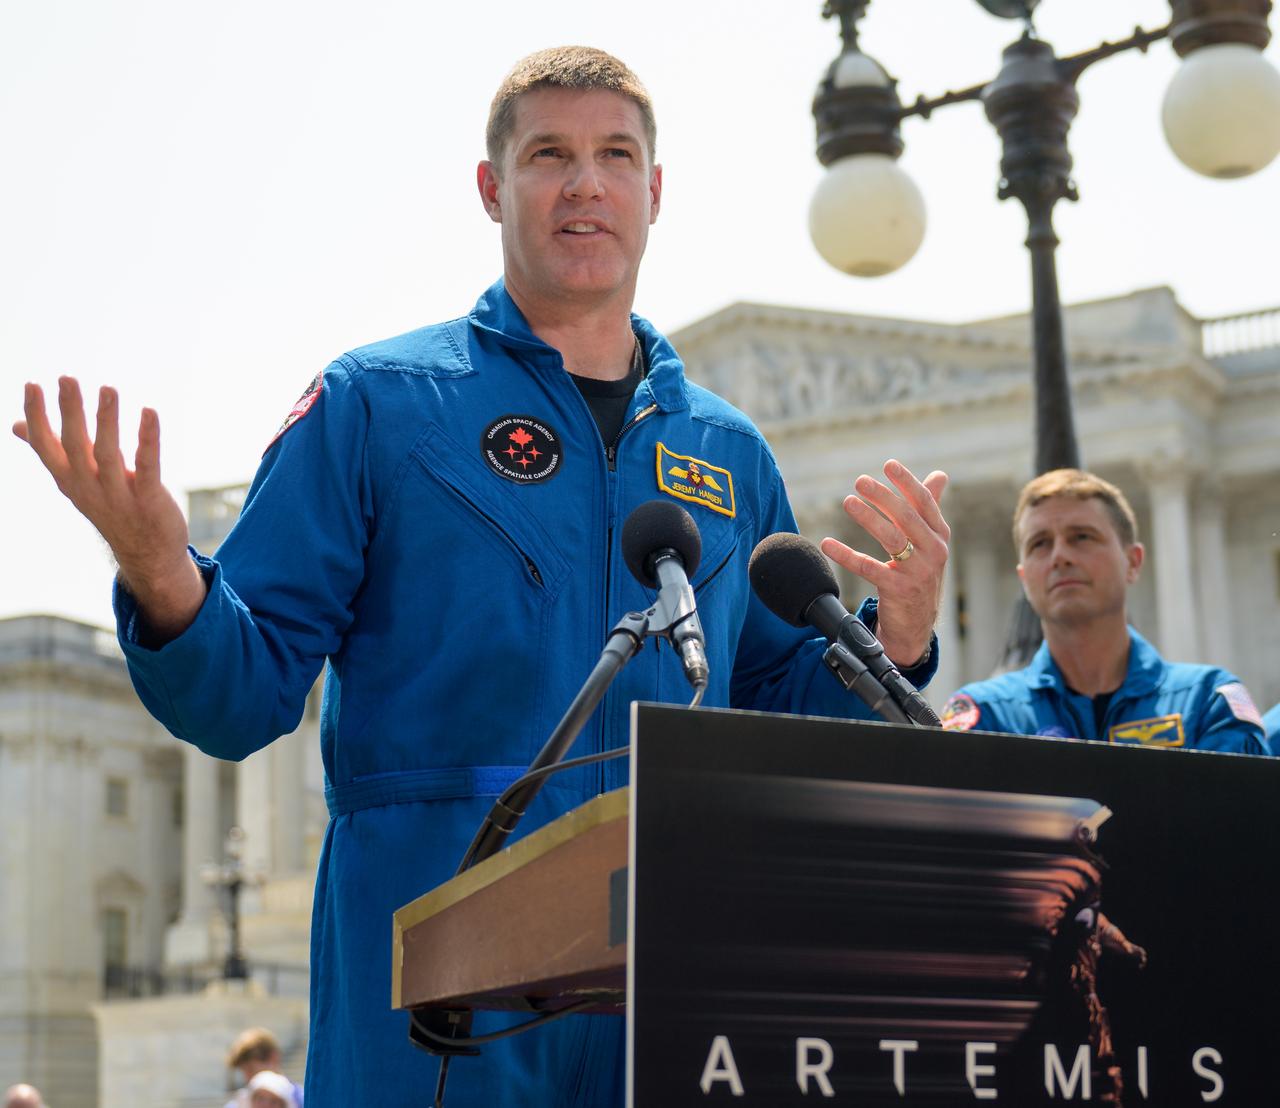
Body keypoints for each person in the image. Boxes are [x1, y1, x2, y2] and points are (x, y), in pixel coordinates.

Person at [13, 47, 950, 1104]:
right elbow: (240, 692)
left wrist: (900, 635)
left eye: (614, 155)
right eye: (548, 153)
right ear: (491, 187)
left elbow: (777, 710)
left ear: (655, 192)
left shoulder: (727, 453)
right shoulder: (378, 403)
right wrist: (158, 572)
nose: (584, 182)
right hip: (438, 986)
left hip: (671, 983)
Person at [940, 468, 1267, 753]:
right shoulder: (987, 716)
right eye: (1040, 543)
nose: (1060, 556)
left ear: (1133, 562)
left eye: (1081, 537)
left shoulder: (1206, 703)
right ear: (1024, 578)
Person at [225, 1028, 302, 1108]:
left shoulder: (304, 1100)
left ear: (273, 1058)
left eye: (251, 1070)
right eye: (243, 1072)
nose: (248, 1078)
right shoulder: (237, 1104)